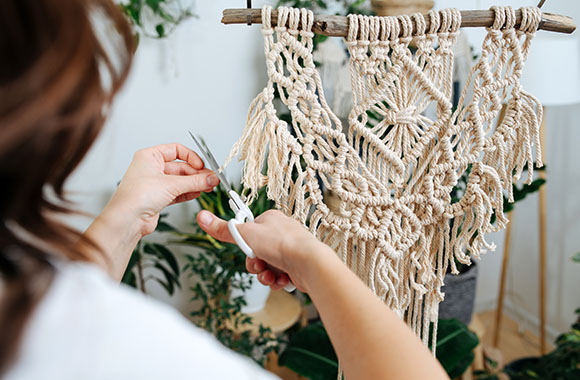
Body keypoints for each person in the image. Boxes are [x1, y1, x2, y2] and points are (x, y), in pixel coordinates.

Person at [0, 0, 448, 379]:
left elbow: (67, 304)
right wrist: (313, 259)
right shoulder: (147, 352)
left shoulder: (35, 313)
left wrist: (125, 216)